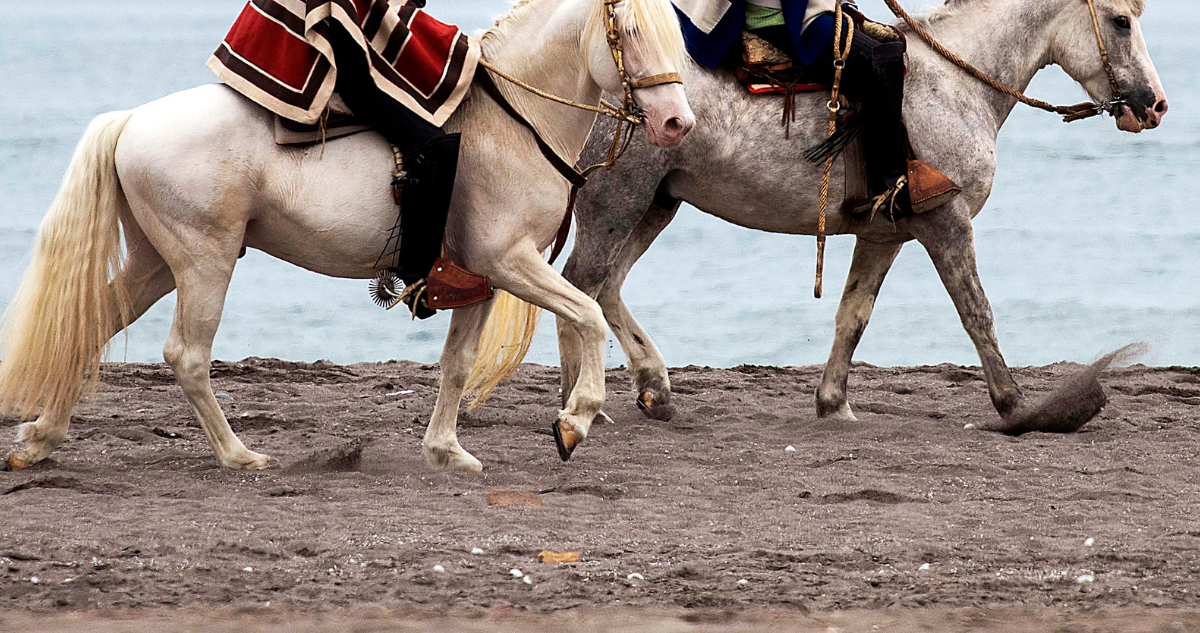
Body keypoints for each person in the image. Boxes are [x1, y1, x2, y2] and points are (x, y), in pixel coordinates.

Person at [675, 0, 960, 216]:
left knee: (888, 48)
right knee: (883, 60)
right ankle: (888, 185)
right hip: (783, 19)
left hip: (804, 8)